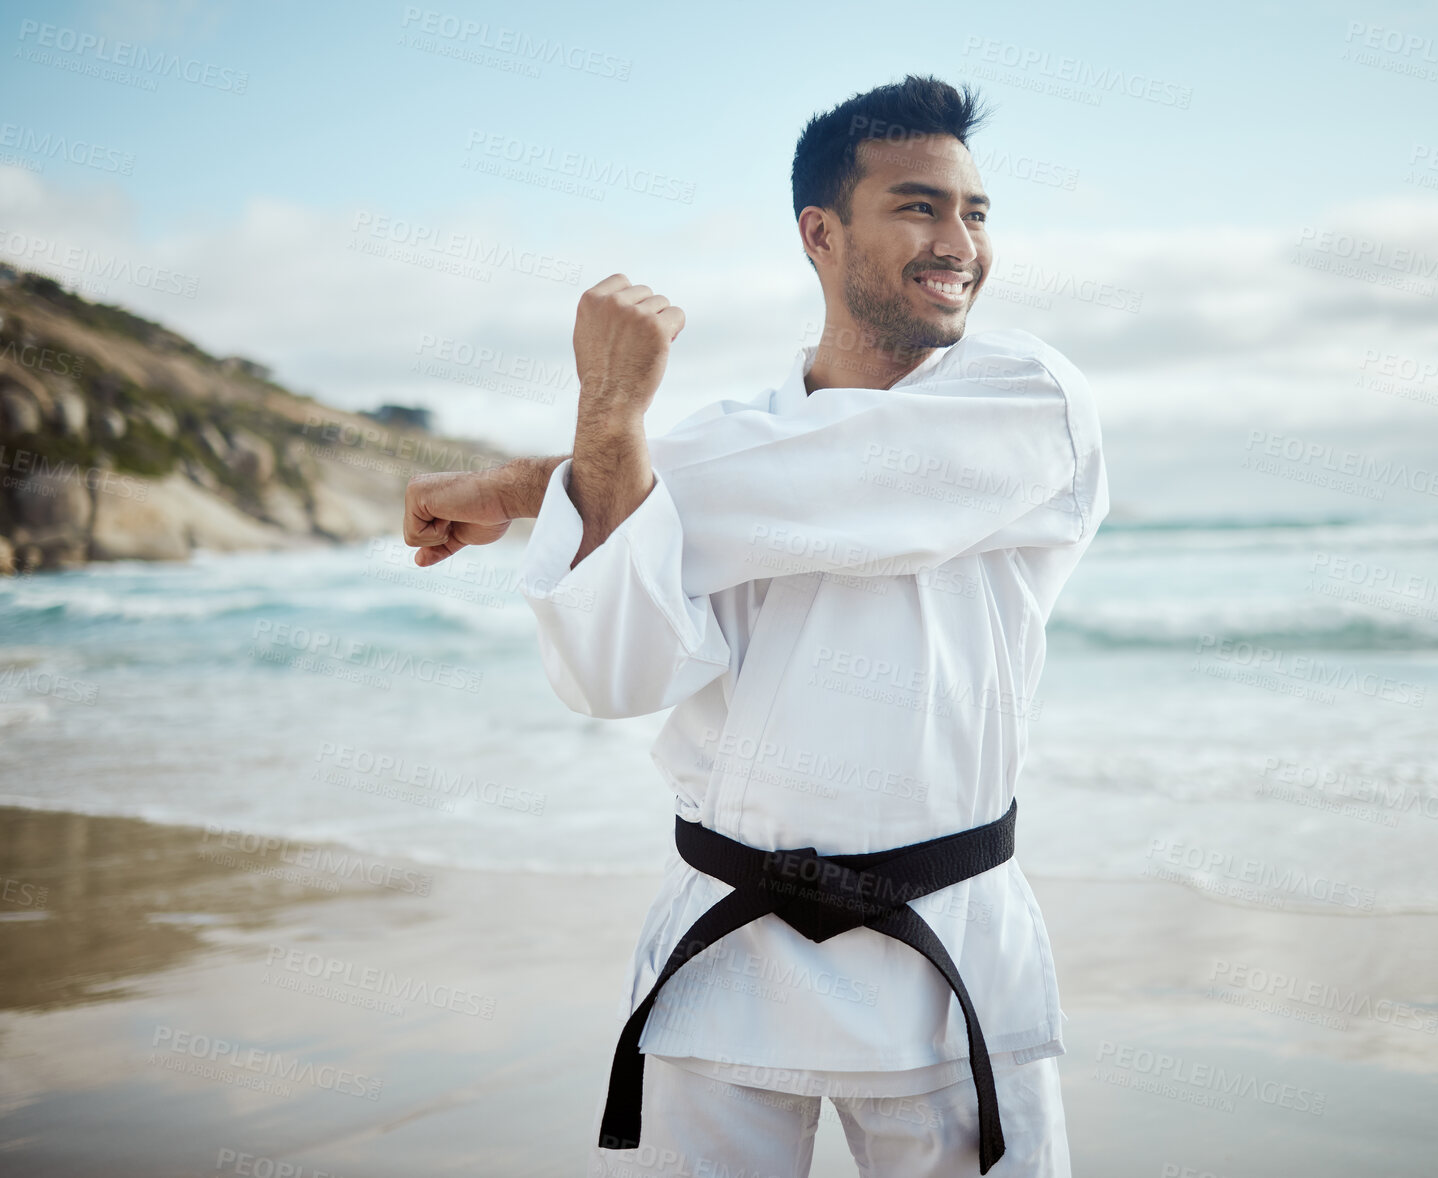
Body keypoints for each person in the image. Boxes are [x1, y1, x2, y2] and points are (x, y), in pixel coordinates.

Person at [403, 74, 1108, 1178]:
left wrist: (551, 473)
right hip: (724, 964)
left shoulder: (1028, 401)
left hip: (946, 955)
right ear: (818, 232)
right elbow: (613, 677)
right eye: (918, 206)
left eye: (974, 212)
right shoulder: (706, 445)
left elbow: (823, 483)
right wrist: (605, 436)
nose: (957, 241)